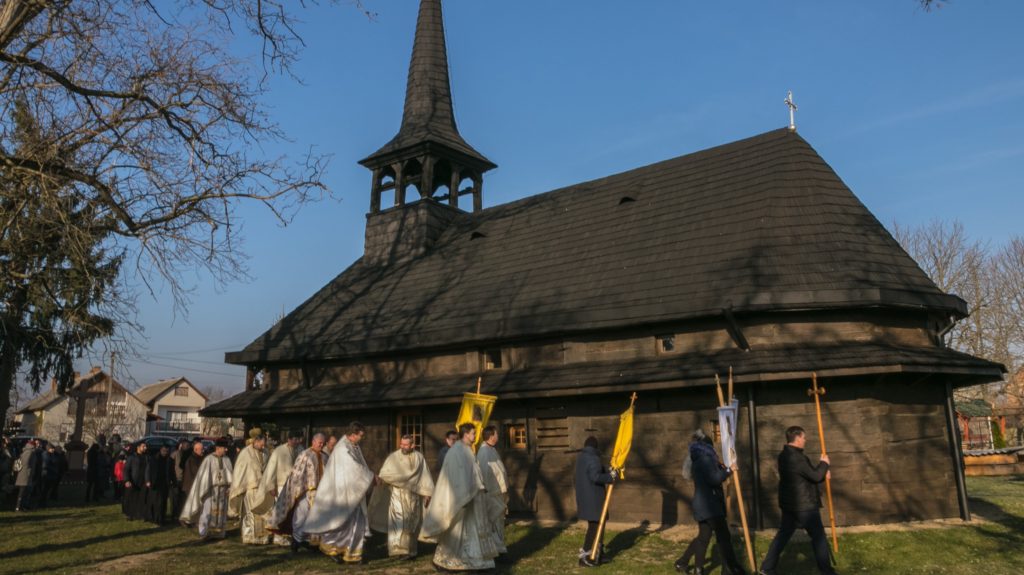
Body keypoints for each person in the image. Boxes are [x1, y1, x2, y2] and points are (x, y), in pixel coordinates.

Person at [759, 426, 836, 575]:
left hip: (790, 504)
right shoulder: (797, 458)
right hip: (804, 506)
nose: (805, 440)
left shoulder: (784, 455)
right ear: (798, 438)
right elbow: (815, 476)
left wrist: (822, 473)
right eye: (804, 437)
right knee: (819, 537)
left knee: (783, 535)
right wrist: (824, 463)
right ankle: (827, 571)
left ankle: (767, 567)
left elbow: (805, 476)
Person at [421, 423, 497, 572]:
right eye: (473, 433)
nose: (475, 436)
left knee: (472, 531)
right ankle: (443, 561)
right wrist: (463, 496)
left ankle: (476, 562)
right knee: (455, 532)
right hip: (460, 498)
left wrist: (480, 485)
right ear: (466, 434)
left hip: (472, 497)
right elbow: (455, 476)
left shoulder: (467, 449)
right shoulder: (456, 451)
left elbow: (473, 472)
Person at [675, 429, 746, 575]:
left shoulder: (698, 459)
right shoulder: (706, 460)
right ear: (708, 447)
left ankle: (690, 566)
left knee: (703, 538)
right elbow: (714, 479)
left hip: (703, 505)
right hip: (710, 505)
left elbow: (709, 475)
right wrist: (729, 471)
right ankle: (731, 569)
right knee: (724, 538)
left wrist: (721, 468)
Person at [304, 422, 376, 564]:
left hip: (352, 490)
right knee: (339, 523)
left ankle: (351, 554)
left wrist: (369, 476)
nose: (362, 438)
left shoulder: (353, 446)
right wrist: (371, 476)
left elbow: (360, 466)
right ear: (353, 434)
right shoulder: (343, 448)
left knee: (354, 523)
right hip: (341, 492)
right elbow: (354, 468)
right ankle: (332, 549)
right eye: (360, 435)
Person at [368, 434, 435, 559]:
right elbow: (385, 474)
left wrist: (427, 493)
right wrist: (384, 481)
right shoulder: (393, 458)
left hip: (413, 496)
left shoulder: (419, 457)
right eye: (401, 444)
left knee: (412, 522)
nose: (402, 446)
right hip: (398, 494)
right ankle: (398, 550)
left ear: (412, 445)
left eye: (405, 444)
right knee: (398, 521)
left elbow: (424, 475)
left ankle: (411, 550)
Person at [267, 432, 327, 552]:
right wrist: (298, 490)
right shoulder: (305, 454)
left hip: (320, 493)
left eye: (323, 443)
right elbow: (297, 474)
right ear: (313, 441)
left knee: (316, 518)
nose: (321, 445)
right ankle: (296, 541)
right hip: (305, 491)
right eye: (319, 443)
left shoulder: (325, 456)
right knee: (301, 516)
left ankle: (311, 542)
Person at [574, 435, 616, 567]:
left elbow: (596, 469)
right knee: (595, 528)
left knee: (597, 526)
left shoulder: (582, 457)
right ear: (596, 447)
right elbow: (595, 476)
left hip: (587, 499)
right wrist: (610, 477)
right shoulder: (593, 458)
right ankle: (585, 557)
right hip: (594, 500)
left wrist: (608, 470)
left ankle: (598, 554)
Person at [180, 438, 234, 539]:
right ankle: (203, 532)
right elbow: (204, 478)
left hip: (222, 491)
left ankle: (219, 533)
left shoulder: (227, 459)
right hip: (210, 491)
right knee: (207, 512)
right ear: (218, 448)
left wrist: (229, 487)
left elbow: (230, 475)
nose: (226, 450)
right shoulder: (208, 459)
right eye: (224, 448)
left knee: (221, 513)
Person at [229, 429, 273, 545]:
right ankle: (250, 537)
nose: (263, 446)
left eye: (264, 444)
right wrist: (238, 487)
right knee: (251, 513)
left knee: (263, 513)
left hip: (262, 489)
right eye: (261, 444)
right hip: (251, 488)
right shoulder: (246, 453)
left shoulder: (266, 452)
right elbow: (240, 471)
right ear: (255, 441)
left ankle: (262, 537)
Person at [261, 431, 303, 546]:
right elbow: (271, 469)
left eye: (299, 440)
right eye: (295, 439)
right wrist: (271, 485)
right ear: (289, 439)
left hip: (294, 486)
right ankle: (278, 537)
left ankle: (288, 535)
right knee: (280, 511)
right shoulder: (279, 451)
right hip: (281, 485)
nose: (297, 442)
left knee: (291, 513)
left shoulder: (300, 450)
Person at [477, 425, 509, 560]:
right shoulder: (484, 452)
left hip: (498, 493)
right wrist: (488, 492)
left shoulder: (492, 449)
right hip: (491, 494)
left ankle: (499, 548)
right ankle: (496, 550)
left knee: (499, 522)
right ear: (491, 436)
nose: (498, 436)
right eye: (496, 434)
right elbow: (484, 473)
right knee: (493, 522)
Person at [147, 444, 175, 524]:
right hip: (155, 483)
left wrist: (173, 481)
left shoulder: (169, 460)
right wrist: (148, 480)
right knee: (157, 502)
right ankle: (156, 518)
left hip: (165, 483)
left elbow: (172, 472)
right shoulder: (153, 459)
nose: (165, 452)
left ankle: (162, 517)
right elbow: (148, 470)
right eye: (164, 451)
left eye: (167, 451)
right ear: (160, 450)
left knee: (163, 501)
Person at [123, 442, 151, 520]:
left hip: (144, 481)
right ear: (138, 447)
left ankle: (141, 514)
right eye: (143, 446)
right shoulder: (131, 457)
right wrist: (127, 480)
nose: (145, 448)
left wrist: (148, 480)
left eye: (146, 446)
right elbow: (126, 469)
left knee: (142, 498)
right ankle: (130, 514)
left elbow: (148, 470)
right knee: (132, 498)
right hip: (133, 481)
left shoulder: (147, 457)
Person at [14, 439, 41, 511]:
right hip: (25, 475)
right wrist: (29, 471)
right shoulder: (29, 452)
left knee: (26, 492)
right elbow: (26, 463)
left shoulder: (30, 451)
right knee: (22, 492)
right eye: (36, 444)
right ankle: (18, 507)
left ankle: (23, 506)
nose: (37, 445)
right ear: (32, 445)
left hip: (27, 474)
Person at [170, 439, 190, 519]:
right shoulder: (176, 454)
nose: (188, 447)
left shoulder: (185, 454)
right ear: (181, 445)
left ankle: (178, 513)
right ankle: (175, 514)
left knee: (181, 498)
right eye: (186, 446)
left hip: (182, 479)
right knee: (176, 498)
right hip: (177, 478)